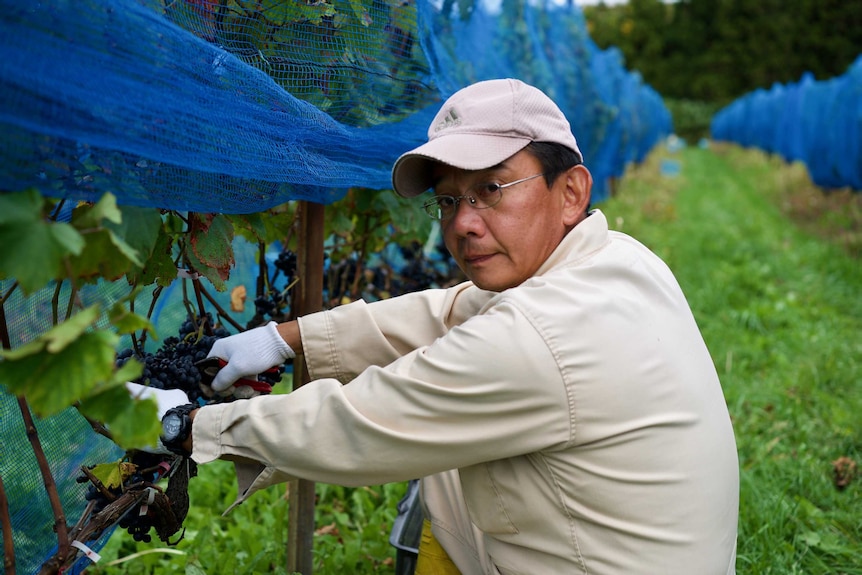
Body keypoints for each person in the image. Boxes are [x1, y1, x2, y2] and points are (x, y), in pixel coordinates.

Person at [136, 78, 740, 574]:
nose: (463, 224)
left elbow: (363, 423)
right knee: (450, 469)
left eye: (491, 190)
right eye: (449, 200)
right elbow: (448, 311)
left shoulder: (539, 337)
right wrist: (281, 339)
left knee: (439, 449)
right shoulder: (617, 260)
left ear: (570, 192)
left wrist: (184, 426)